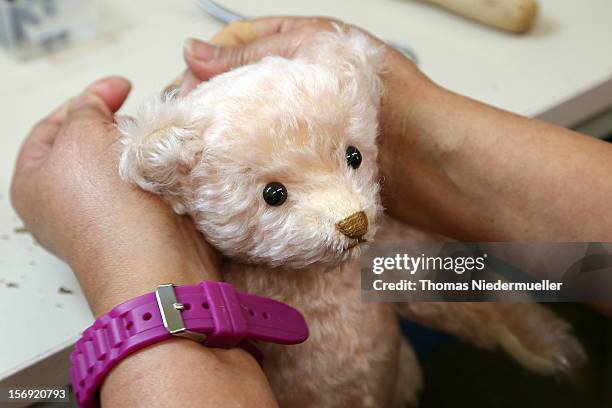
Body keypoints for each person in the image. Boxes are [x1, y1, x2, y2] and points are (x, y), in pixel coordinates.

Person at [10, 16, 612, 407]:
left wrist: (134, 272)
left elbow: (442, 281)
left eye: (352, 158)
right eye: (274, 193)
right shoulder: (231, 257)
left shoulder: (371, 249)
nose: (349, 214)